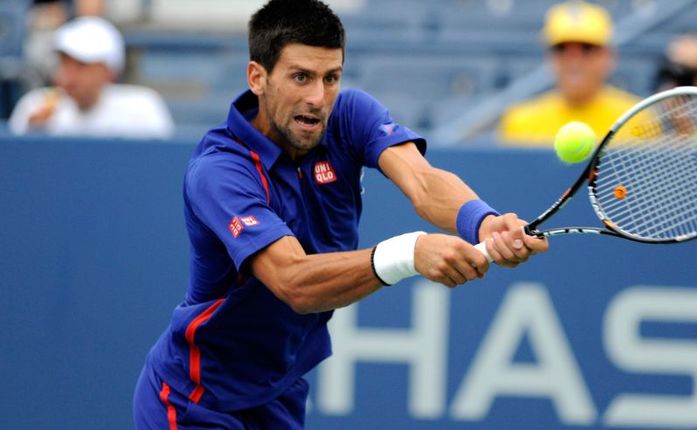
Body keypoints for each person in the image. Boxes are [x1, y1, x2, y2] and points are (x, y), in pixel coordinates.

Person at [132, 0, 547, 428]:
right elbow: (293, 280)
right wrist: (409, 252)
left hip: (278, 389)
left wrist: (483, 221)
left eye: (331, 78)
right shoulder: (220, 171)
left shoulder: (349, 115)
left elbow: (422, 182)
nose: (317, 98)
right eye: (300, 77)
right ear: (257, 77)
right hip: (196, 398)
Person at [498, 0, 639, 145]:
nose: (574, 61)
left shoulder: (636, 118)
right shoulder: (519, 121)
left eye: (587, 48)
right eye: (561, 48)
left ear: (608, 57)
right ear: (549, 58)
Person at [9, 16, 174, 139]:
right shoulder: (33, 106)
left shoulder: (143, 109)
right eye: (64, 62)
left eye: (82, 65)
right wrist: (32, 136)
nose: (68, 75)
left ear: (109, 72)